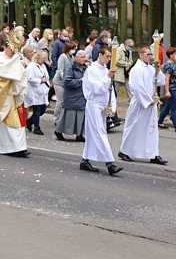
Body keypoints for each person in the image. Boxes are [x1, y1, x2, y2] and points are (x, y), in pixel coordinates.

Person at [118, 46, 168, 165]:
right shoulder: (136, 69)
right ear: (141, 55)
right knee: (135, 127)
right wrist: (146, 100)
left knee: (151, 129)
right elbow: (136, 86)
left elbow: (160, 81)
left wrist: (158, 70)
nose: (150, 56)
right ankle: (125, 150)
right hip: (141, 103)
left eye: (151, 54)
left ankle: (152, 153)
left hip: (151, 103)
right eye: (148, 54)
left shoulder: (150, 68)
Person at [81, 47, 123, 175]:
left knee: (94, 133)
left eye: (110, 57)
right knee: (99, 133)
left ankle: (85, 160)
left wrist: (112, 106)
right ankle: (109, 163)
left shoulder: (105, 70)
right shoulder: (91, 70)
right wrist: (107, 77)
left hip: (103, 105)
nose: (109, 59)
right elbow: (96, 89)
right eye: (107, 56)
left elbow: (110, 90)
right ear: (100, 55)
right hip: (94, 105)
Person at [55, 50, 87, 142]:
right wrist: (80, 81)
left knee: (81, 116)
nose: (84, 59)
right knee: (68, 115)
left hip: (81, 95)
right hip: (72, 95)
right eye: (82, 57)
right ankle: (59, 131)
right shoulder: (70, 67)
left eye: (85, 57)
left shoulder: (84, 67)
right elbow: (67, 82)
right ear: (76, 58)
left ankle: (79, 134)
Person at [52, 41, 77, 129]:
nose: (74, 50)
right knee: (60, 101)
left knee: (65, 102)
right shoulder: (63, 57)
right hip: (59, 82)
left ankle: (62, 118)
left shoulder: (72, 57)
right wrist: (65, 78)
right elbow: (60, 70)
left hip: (66, 83)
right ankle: (56, 119)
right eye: (73, 49)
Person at [24, 50, 50, 136]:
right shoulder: (31, 66)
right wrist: (40, 80)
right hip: (35, 91)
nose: (44, 60)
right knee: (37, 110)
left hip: (42, 91)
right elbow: (29, 78)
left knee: (43, 109)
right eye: (43, 58)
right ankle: (37, 127)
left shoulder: (42, 66)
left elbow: (46, 76)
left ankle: (29, 121)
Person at [157, 46, 176, 130]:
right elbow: (166, 79)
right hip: (172, 89)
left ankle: (160, 121)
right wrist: (167, 91)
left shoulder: (173, 65)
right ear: (171, 55)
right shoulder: (168, 66)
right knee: (174, 108)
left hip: (174, 88)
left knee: (168, 106)